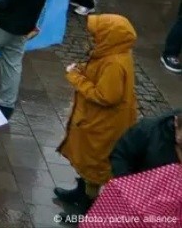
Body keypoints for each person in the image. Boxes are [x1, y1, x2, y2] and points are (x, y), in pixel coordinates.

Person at [55, 14, 138, 218]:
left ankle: (85, 209)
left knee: (94, 165)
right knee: (87, 161)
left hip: (103, 125)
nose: (92, 38)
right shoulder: (111, 53)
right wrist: (83, 71)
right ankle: (80, 192)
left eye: (96, 35)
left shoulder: (114, 63)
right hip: (97, 120)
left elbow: (106, 96)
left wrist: (76, 77)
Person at [109, 110, 181, 176]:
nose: (178, 139)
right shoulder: (149, 130)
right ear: (176, 121)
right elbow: (121, 155)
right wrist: (127, 183)